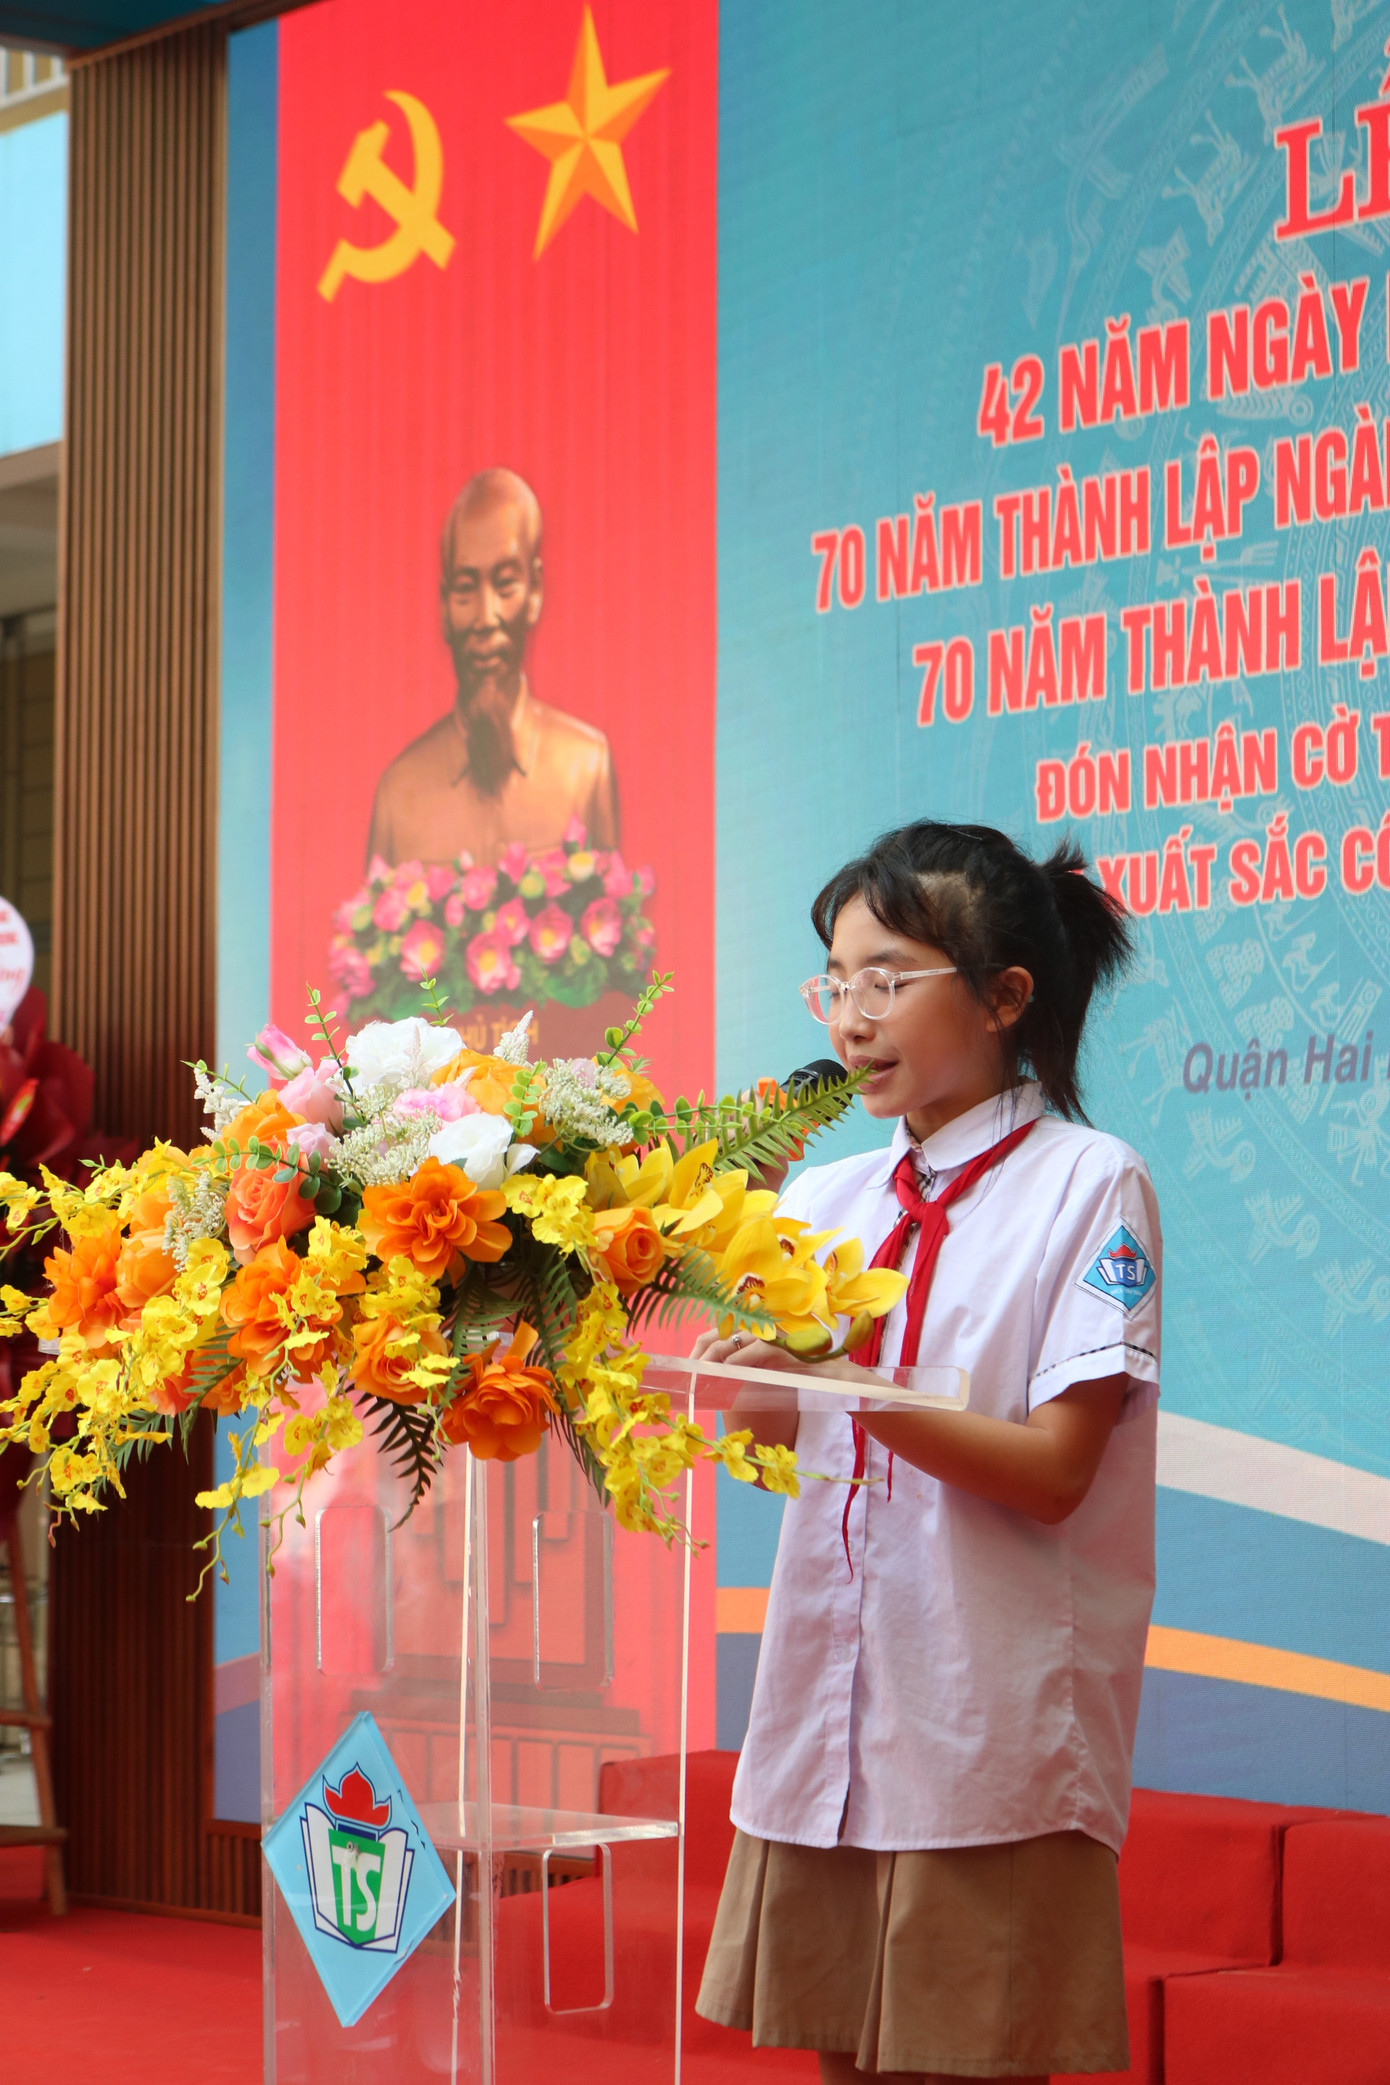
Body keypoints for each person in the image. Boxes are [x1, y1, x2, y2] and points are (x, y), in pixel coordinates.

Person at [694, 821, 1160, 2085]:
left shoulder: (1088, 1184)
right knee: (836, 2056)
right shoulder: (822, 1199)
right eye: (835, 982)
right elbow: (792, 1444)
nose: (853, 1018)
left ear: (1007, 995)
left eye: (890, 979)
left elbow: (1059, 1470)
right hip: (831, 1706)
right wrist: (755, 1396)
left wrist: (851, 1390)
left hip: (982, 1720)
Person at [366, 468, 619, 867]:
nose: (486, 617)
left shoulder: (585, 770)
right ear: (443, 606)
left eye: (505, 585)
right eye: (465, 589)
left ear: (534, 592)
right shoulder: (398, 795)